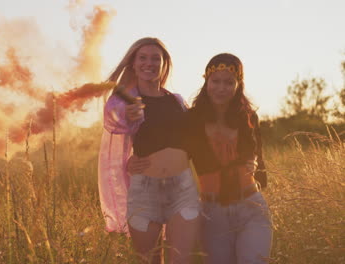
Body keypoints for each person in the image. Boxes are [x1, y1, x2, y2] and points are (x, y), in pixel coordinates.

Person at [128, 53, 272, 263]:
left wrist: (254, 165)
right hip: (213, 213)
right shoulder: (191, 118)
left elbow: (261, 164)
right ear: (206, 81)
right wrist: (132, 159)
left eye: (229, 83)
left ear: (238, 85)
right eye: (215, 81)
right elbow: (163, 144)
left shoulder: (248, 116)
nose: (221, 88)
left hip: (251, 207)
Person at [98, 37, 200, 263]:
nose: (149, 63)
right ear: (133, 64)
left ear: (165, 64)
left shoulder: (178, 101)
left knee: (181, 260)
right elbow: (115, 125)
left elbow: (195, 139)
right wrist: (128, 118)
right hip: (144, 192)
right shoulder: (124, 102)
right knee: (150, 261)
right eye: (142, 58)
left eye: (156, 58)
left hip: (182, 190)